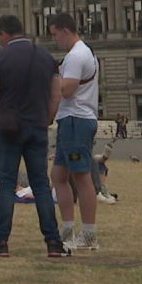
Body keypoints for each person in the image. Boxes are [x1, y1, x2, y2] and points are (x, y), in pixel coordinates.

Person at [0, 14, 71, 258]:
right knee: (41, 185)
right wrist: (47, 119)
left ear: (3, 34)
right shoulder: (46, 58)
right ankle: (53, 243)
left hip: (9, 129)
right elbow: (56, 95)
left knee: (6, 186)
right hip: (37, 126)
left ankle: (0, 243)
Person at [47, 13, 100, 251]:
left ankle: (89, 234)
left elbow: (67, 89)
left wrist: (47, 81)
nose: (55, 39)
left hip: (76, 119)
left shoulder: (77, 55)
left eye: (55, 34)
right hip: (70, 120)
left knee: (81, 177)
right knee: (58, 176)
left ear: (65, 31)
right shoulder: (79, 54)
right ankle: (67, 228)